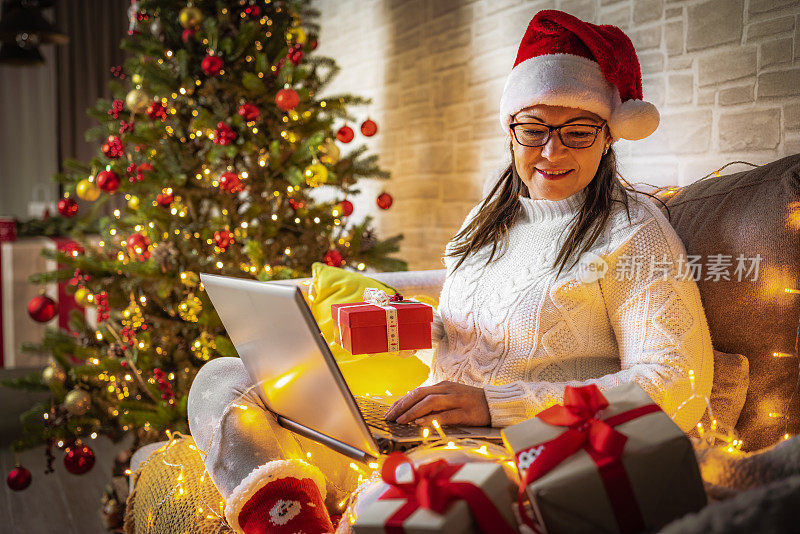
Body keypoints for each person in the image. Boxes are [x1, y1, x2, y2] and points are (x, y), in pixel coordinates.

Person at [187, 9, 713, 534]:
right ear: (511, 131)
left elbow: (675, 382)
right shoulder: (489, 219)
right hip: (415, 425)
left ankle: (339, 507)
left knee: (387, 498)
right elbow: (460, 328)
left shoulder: (633, 232)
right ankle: (290, 518)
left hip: (508, 451)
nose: (552, 151)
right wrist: (396, 320)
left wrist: (494, 404)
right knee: (221, 382)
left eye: (577, 132)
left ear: (609, 135)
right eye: (533, 129)